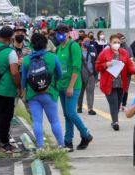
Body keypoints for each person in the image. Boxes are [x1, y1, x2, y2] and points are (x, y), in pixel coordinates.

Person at [21, 33, 66, 151]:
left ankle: (40, 146)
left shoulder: (26, 60)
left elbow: (23, 80)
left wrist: (24, 92)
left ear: (31, 45)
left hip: (33, 94)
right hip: (49, 92)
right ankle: (61, 145)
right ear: (46, 44)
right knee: (54, 120)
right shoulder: (52, 57)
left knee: (37, 121)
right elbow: (60, 74)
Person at [55, 24, 93, 152]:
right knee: (67, 115)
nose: (60, 35)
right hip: (61, 86)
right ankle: (68, 142)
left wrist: (71, 86)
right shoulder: (59, 48)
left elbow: (76, 68)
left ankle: (86, 134)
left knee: (71, 112)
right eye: (57, 32)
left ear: (68, 33)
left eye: (62, 32)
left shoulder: (73, 46)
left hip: (73, 86)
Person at [95, 34, 135, 131]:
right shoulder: (104, 53)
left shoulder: (124, 52)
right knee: (113, 102)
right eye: (114, 42)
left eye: (118, 42)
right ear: (110, 42)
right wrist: (105, 64)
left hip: (121, 83)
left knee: (118, 104)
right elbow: (97, 66)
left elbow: (129, 65)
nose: (117, 44)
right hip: (109, 83)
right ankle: (116, 122)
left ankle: (114, 119)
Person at [77, 35, 97, 115]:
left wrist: (96, 72)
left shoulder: (92, 49)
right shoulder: (77, 50)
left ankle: (90, 108)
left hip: (90, 73)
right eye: (85, 41)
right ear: (81, 41)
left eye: (89, 41)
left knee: (90, 91)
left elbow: (96, 60)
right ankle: (79, 107)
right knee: (80, 91)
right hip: (79, 73)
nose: (87, 42)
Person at [117, 33, 135, 111]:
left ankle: (124, 104)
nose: (122, 40)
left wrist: (130, 60)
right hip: (118, 72)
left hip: (127, 71)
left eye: (123, 38)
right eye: (121, 38)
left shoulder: (128, 48)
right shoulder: (115, 48)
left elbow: (132, 58)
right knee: (119, 88)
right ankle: (118, 103)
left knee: (125, 88)